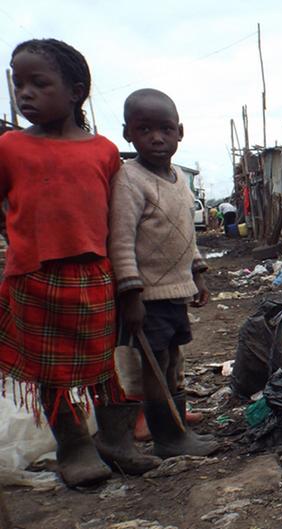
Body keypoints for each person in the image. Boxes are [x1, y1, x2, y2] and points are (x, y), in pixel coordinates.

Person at [0, 39, 158, 487]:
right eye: (18, 84)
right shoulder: (9, 147)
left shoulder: (104, 151)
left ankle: (115, 443)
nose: (24, 93)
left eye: (38, 83)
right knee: (50, 373)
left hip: (93, 276)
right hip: (32, 277)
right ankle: (73, 447)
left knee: (101, 369)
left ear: (75, 92)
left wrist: (130, 286)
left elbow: (117, 222)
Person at [109, 88, 218, 458]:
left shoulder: (179, 180)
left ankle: (176, 429)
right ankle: (169, 439)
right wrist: (130, 294)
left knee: (171, 361)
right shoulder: (129, 180)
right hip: (147, 296)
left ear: (180, 132)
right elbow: (120, 241)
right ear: (127, 134)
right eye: (145, 129)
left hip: (175, 292)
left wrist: (197, 274)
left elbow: (187, 234)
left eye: (165, 129)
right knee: (156, 368)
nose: (156, 138)